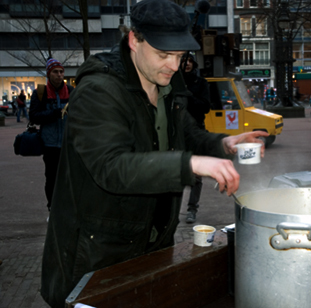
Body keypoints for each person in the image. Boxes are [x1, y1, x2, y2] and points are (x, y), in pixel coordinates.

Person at [40, 1, 268, 307]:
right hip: (99, 249)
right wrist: (190, 164)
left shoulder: (167, 83)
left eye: (179, 56)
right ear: (135, 40)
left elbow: (186, 133)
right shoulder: (99, 91)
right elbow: (112, 166)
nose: (174, 66)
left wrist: (225, 145)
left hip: (153, 240)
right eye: (163, 54)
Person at [29, 58, 73, 211]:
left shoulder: (71, 91)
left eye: (61, 72)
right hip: (50, 144)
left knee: (69, 178)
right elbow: (34, 116)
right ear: (49, 74)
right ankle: (53, 208)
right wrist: (53, 114)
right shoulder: (40, 92)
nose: (59, 75)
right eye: (55, 72)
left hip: (68, 143)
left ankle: (67, 208)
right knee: (52, 178)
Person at [180, 52, 211, 223]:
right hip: (176, 131)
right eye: (185, 61)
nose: (188, 64)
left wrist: (188, 96)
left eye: (191, 61)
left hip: (196, 130)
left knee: (196, 174)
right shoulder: (172, 82)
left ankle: (192, 209)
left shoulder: (201, 83)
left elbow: (206, 107)